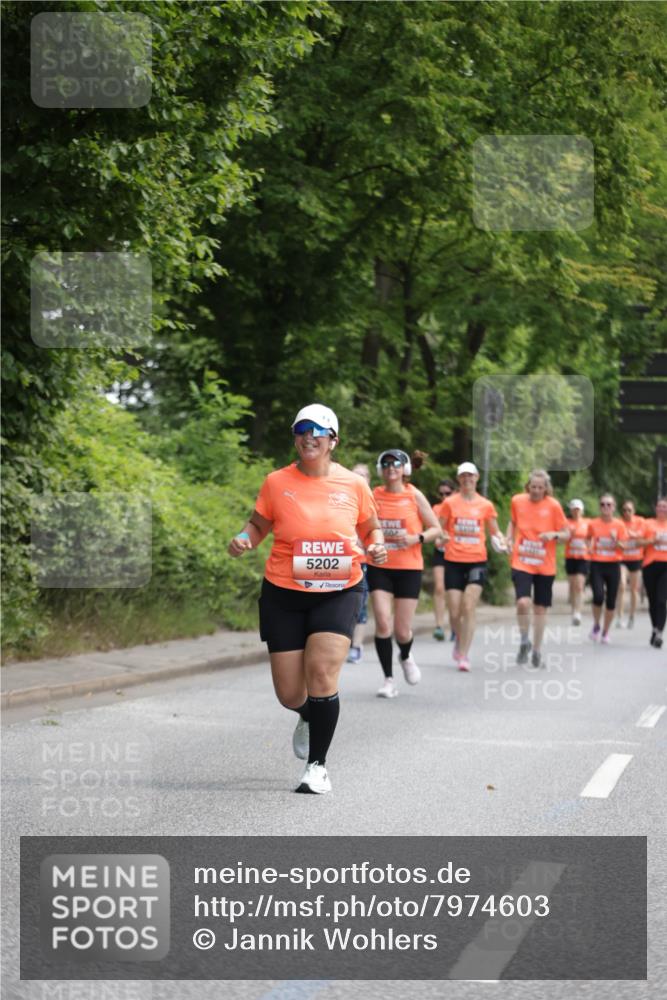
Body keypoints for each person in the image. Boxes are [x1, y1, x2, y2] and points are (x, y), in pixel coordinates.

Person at [228, 404, 387, 794]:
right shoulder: (276, 482)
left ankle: (317, 767)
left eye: (317, 431)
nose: (308, 437)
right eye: (301, 430)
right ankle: (307, 714)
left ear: (333, 440)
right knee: (289, 693)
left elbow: (371, 527)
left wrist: (377, 546)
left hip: (340, 589)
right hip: (283, 591)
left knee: (321, 673)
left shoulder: (353, 484)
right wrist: (245, 539)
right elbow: (258, 523)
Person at [368, 449, 441, 698]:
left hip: (409, 568)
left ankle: (406, 655)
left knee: (401, 630)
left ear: (405, 469)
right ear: (381, 469)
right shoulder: (374, 495)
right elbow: (361, 524)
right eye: (386, 464)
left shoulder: (414, 495)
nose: (391, 468)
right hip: (380, 565)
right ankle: (388, 679)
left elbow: (436, 529)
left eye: (396, 464)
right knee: (382, 620)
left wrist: (415, 538)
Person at [438, 462, 507, 672]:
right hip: (453, 561)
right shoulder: (449, 503)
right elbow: (439, 529)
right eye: (463, 476)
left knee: (468, 606)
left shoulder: (485, 505)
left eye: (471, 476)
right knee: (454, 611)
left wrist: (502, 542)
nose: (467, 479)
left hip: (477, 559)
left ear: (477, 478)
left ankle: (464, 655)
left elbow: (495, 531)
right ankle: (459, 639)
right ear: (459, 480)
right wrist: (441, 537)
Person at [507, 470, 569, 668]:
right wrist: (509, 538)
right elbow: (512, 522)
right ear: (528, 486)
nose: (536, 491)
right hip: (522, 561)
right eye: (533, 487)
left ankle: (537, 650)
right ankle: (524, 640)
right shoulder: (517, 501)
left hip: (545, 564)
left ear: (546, 489)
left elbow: (566, 533)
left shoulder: (553, 506)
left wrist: (553, 534)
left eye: (540, 487)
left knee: (540, 609)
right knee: (523, 603)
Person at [586, 493, 628, 643]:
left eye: (609, 505)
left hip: (613, 565)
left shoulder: (619, 525)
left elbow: (624, 547)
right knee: (598, 596)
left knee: (611, 601)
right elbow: (588, 538)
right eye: (603, 504)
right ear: (600, 507)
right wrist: (589, 546)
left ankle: (605, 632)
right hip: (597, 563)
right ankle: (596, 625)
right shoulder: (593, 523)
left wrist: (615, 540)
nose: (605, 507)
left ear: (614, 508)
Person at [347, 463, 372, 663]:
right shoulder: (340, 497)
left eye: (363, 475)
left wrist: (363, 541)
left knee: (360, 605)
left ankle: (356, 646)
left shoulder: (373, 501)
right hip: (339, 560)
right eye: (356, 475)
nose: (359, 478)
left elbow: (377, 532)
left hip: (363, 561)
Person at [640, 496, 667, 649]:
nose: (662, 509)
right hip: (650, 565)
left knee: (662, 600)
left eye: (665, 506)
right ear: (655, 509)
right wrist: (651, 541)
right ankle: (655, 628)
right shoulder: (648, 524)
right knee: (652, 601)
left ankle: (659, 634)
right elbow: (638, 542)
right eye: (660, 506)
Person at [431, 479, 456, 641]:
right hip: (440, 551)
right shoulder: (436, 508)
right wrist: (440, 537)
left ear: (454, 492)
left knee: (454, 593)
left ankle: (455, 626)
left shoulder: (459, 506)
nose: (444, 497)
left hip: (457, 555)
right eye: (441, 494)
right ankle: (439, 626)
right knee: (440, 588)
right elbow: (433, 531)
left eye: (447, 493)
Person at [616, 499, 645, 629]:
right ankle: (619, 616)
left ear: (634, 511)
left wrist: (634, 535)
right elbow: (617, 539)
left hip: (636, 559)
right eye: (624, 510)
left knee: (634, 589)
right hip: (622, 558)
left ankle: (631, 616)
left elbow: (644, 536)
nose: (627, 512)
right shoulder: (618, 523)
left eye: (629, 510)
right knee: (621, 585)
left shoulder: (640, 521)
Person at [564, 499, 590, 626]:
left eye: (578, 509)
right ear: (571, 510)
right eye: (574, 509)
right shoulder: (566, 523)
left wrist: (590, 546)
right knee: (573, 586)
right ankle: (574, 610)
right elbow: (561, 540)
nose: (576, 512)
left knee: (580, 585)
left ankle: (578, 613)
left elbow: (592, 538)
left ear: (582, 510)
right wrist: (568, 535)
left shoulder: (587, 523)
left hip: (583, 557)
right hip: (570, 557)